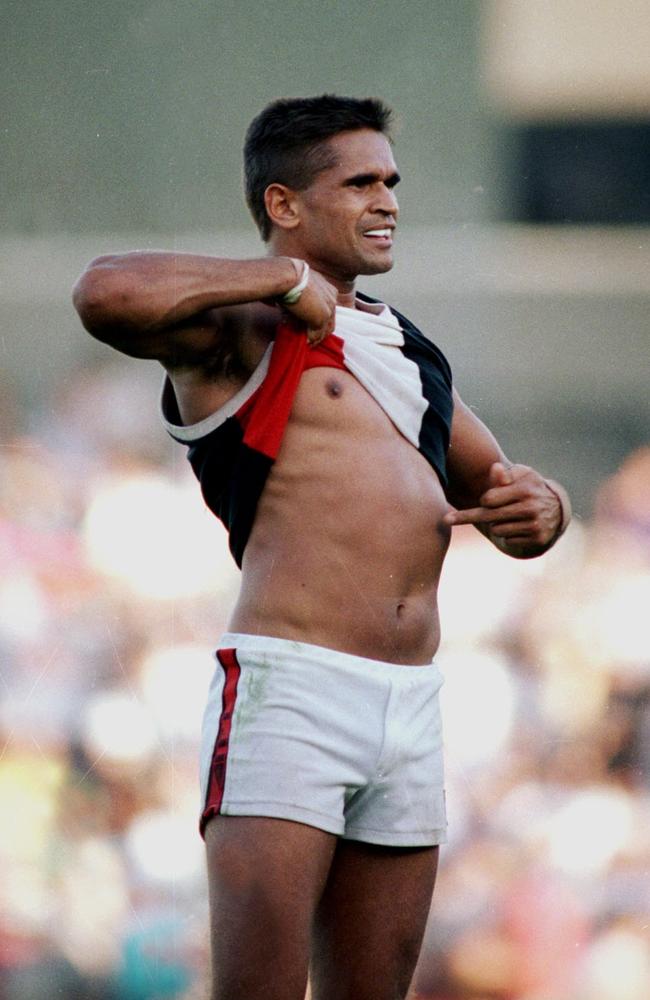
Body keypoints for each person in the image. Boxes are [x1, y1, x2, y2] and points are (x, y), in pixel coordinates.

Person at [72, 95, 571, 1000]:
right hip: (290, 690)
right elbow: (104, 291)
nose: (387, 201)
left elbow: (504, 489)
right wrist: (278, 284)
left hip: (413, 701)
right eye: (360, 183)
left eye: (391, 182)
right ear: (284, 205)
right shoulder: (240, 332)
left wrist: (550, 508)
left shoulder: (402, 346)